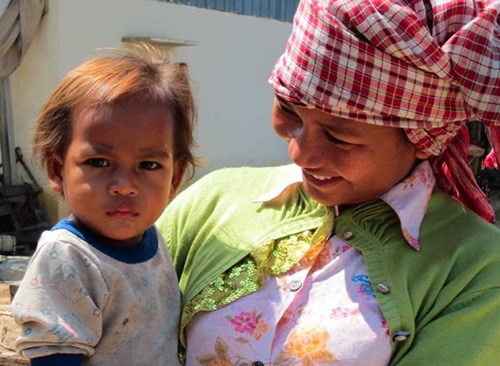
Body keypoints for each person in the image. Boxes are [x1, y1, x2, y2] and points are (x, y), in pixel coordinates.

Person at [156, 0, 500, 364]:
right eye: (289, 109)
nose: (301, 154)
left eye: (340, 138)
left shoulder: (473, 270)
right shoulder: (216, 201)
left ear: (422, 139)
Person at [11, 45, 197, 365]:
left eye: (149, 165)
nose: (125, 185)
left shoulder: (152, 240)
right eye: (99, 161)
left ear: (175, 178)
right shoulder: (68, 257)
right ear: (58, 170)